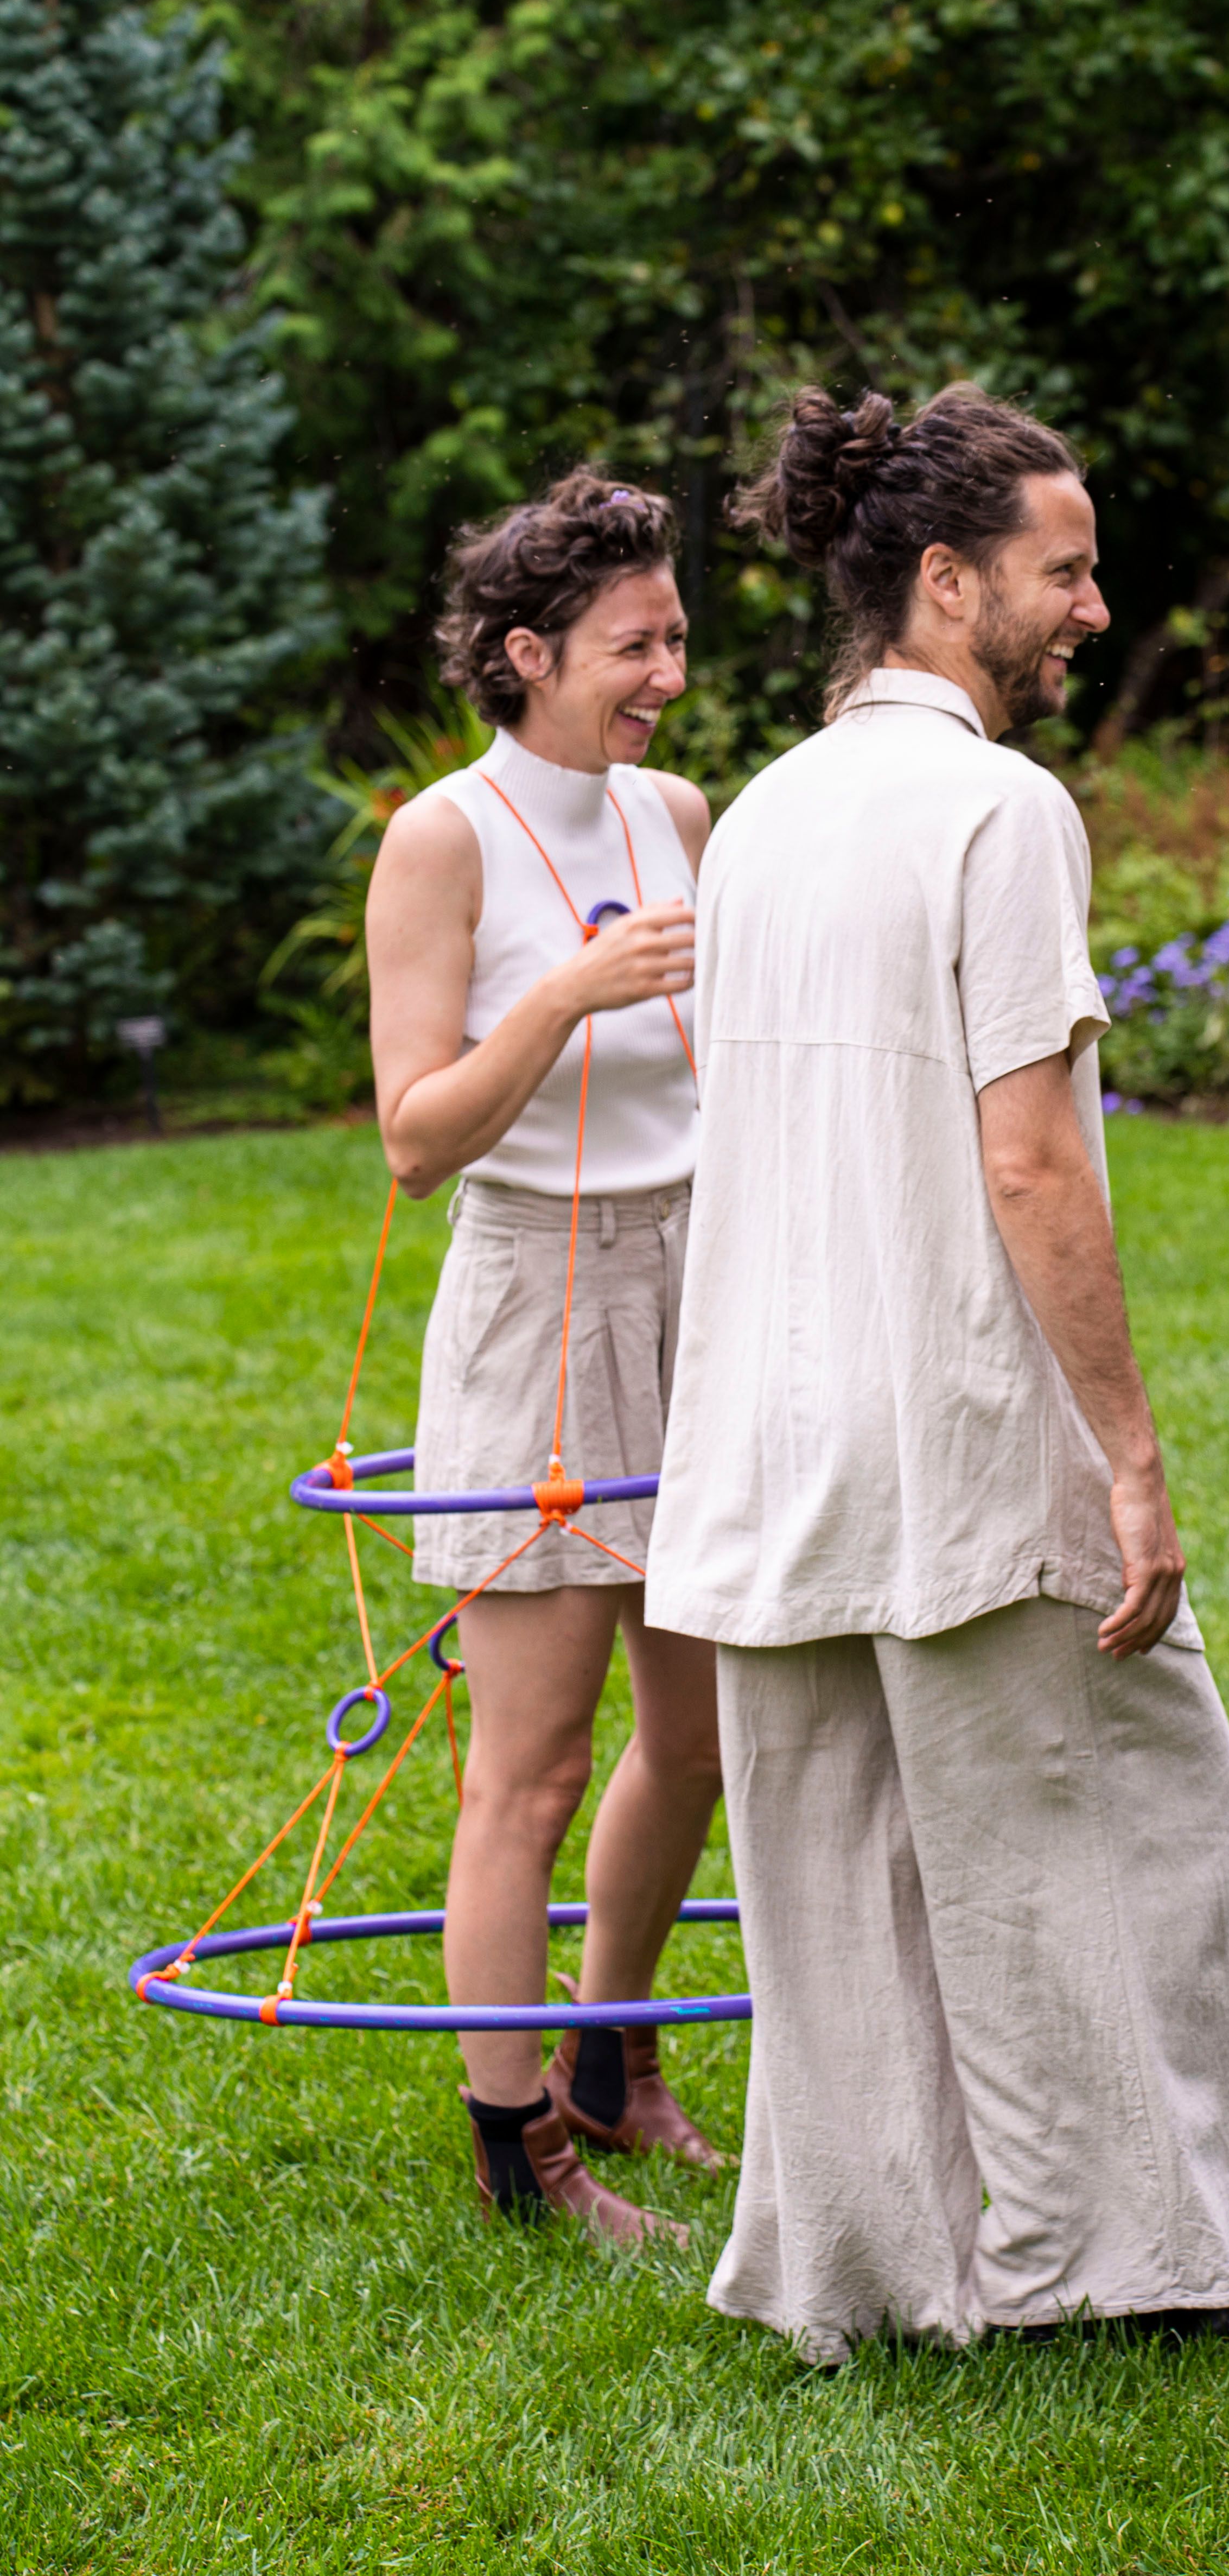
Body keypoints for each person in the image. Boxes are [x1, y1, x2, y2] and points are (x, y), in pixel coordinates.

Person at [643, 382, 1229, 2365]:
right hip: (960, 1425)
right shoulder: (1001, 810)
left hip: (766, 1430)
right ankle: (1107, 2272)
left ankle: (869, 2275)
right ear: (943, 580)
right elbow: (1027, 1154)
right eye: (1063, 573)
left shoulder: (762, 815)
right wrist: (1132, 1458)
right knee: (1109, 1827)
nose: (1090, 605)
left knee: (830, 1879)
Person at [366, 469, 724, 2247]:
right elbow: (417, 1137)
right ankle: (522, 2148)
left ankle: (614, 2059)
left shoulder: (676, 810)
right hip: (541, 1292)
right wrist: (563, 999)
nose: (669, 670)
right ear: (528, 652)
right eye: (633, 642)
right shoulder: (447, 838)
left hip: (701, 1284)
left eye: (675, 635)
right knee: (534, 1758)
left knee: (708, 1725)